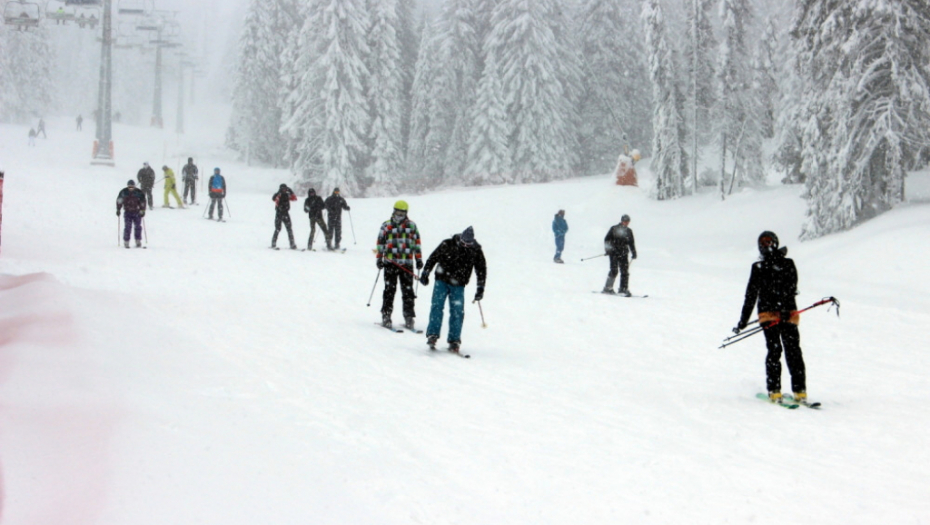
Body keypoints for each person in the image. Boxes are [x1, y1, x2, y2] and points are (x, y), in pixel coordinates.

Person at [735, 231, 808, 405]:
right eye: (763, 242)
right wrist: (743, 321)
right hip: (768, 316)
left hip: (788, 315)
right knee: (774, 352)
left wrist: (784, 309)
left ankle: (800, 391)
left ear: (775, 243)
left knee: (794, 352)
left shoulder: (788, 264)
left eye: (769, 242)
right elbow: (751, 296)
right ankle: (774, 390)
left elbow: (791, 288)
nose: (766, 245)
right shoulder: (758, 267)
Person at [419, 226, 487, 353]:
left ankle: (454, 340)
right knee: (437, 306)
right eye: (463, 243)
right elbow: (433, 257)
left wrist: (480, 288)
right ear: (460, 238)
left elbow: (481, 270)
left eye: (468, 244)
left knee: (457, 312)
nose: (465, 246)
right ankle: (432, 335)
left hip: (459, 285)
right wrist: (425, 273)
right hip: (442, 280)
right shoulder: (448, 243)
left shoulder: (476, 250)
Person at [375, 200, 422, 330]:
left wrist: (418, 259)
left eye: (402, 213)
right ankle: (386, 315)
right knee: (390, 290)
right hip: (391, 263)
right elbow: (380, 243)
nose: (399, 215)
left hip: (406, 264)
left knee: (408, 291)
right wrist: (379, 258)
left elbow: (416, 243)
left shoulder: (412, 226)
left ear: (406, 213)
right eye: (397, 212)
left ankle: (409, 317)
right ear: (393, 211)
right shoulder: (386, 225)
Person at [602, 214, 637, 296]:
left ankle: (623, 289)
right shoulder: (614, 228)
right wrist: (608, 250)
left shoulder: (629, 231)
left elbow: (631, 243)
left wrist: (634, 252)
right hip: (613, 253)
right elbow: (607, 239)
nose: (626, 223)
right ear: (622, 221)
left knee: (625, 272)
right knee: (614, 270)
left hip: (624, 253)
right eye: (625, 221)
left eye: (628, 221)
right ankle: (608, 288)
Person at [116, 180, 147, 248]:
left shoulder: (138, 192)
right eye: (129, 187)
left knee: (138, 227)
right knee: (128, 227)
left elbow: (142, 201)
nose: (131, 188)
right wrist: (118, 209)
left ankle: (138, 240)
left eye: (132, 187)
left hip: (137, 212)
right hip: (127, 212)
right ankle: (126, 241)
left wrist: (142, 210)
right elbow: (119, 200)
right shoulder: (124, 192)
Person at [271, 184, 298, 249]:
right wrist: (278, 193)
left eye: (285, 189)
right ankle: (273, 243)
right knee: (278, 228)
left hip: (285, 213)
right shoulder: (278, 195)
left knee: (289, 229)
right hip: (279, 213)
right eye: (283, 189)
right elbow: (273, 198)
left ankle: (292, 244)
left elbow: (294, 198)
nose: (284, 190)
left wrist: (291, 191)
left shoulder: (287, 195)